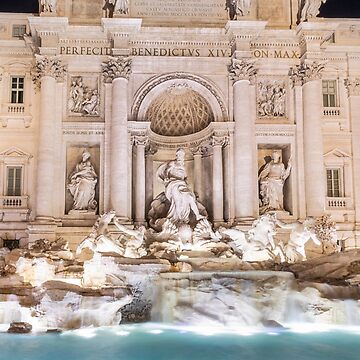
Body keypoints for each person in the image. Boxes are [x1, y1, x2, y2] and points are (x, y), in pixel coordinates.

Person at [156, 148, 204, 225]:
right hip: (174, 184)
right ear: (177, 155)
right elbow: (166, 171)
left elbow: (184, 177)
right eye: (180, 154)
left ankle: (197, 215)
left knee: (190, 198)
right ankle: (177, 219)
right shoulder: (173, 163)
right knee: (177, 201)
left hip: (182, 184)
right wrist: (166, 179)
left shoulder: (183, 165)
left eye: (182, 155)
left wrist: (186, 182)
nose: (181, 156)